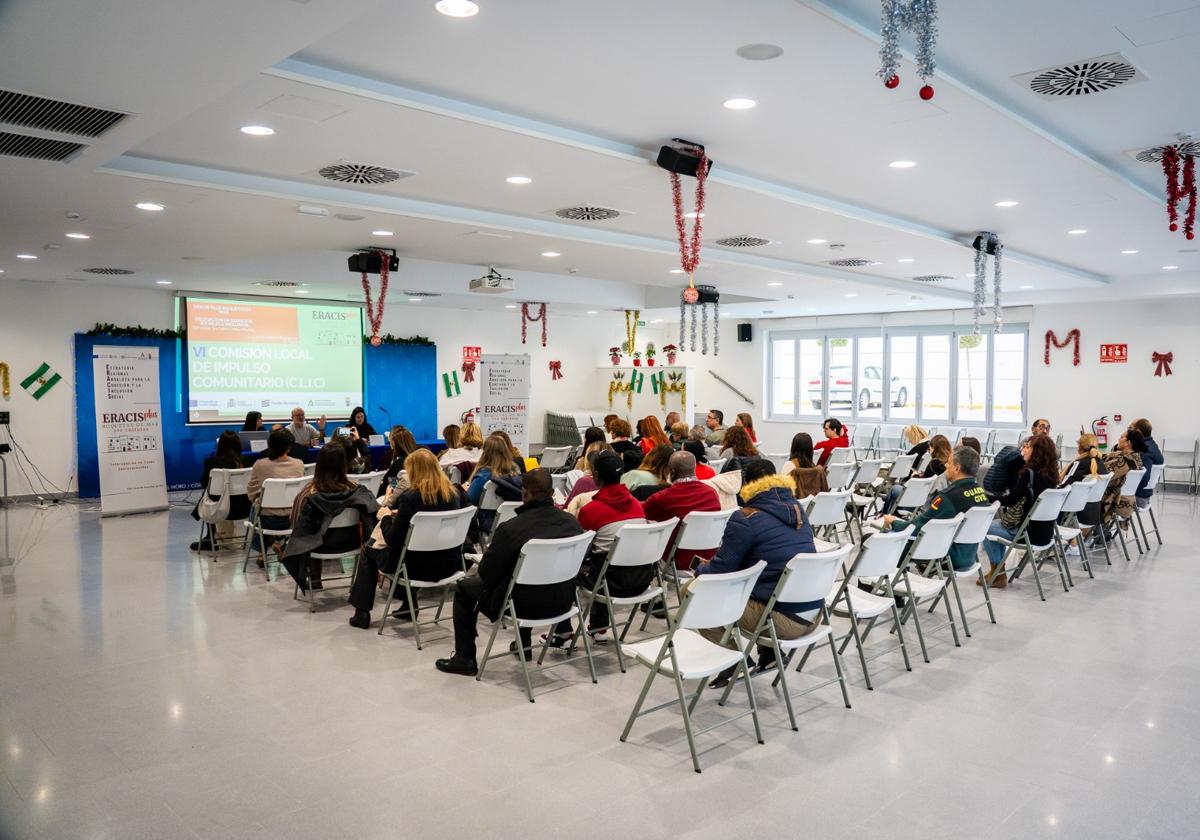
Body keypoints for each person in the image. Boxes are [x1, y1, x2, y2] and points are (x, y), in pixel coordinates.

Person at [435, 469, 585, 676]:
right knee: (528, 577)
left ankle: (465, 658)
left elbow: (486, 574)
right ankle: (522, 643)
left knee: (464, 588)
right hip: (562, 602)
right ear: (552, 493)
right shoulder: (573, 524)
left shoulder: (511, 529)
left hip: (523, 605)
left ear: (524, 494)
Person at [693, 459, 819, 687]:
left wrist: (698, 569)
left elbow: (720, 571)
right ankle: (769, 654)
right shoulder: (798, 508)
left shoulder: (746, 517)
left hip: (783, 621)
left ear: (747, 485)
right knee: (768, 580)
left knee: (697, 595)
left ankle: (733, 663)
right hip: (813, 613)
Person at [348, 449, 469, 629]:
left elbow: (393, 540)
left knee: (369, 550)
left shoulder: (410, 497)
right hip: (449, 564)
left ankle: (362, 613)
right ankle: (407, 606)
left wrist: (386, 517)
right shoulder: (453, 495)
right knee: (414, 547)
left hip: (414, 568)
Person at [547, 452, 647, 645]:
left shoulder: (591, 510)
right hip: (640, 579)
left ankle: (563, 634)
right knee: (605, 560)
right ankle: (599, 628)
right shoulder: (637, 505)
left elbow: (578, 553)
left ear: (596, 477)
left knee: (563, 569)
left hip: (611, 583)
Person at [281, 444, 379, 592]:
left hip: (317, 546)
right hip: (352, 543)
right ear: (344, 464)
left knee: (312, 531)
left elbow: (296, 525)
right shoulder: (358, 491)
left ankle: (315, 578)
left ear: (319, 465)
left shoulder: (307, 495)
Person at [883, 446, 989, 571]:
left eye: (949, 463)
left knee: (877, 542)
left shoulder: (949, 498)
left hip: (943, 556)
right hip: (968, 557)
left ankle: (877, 586)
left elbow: (917, 527)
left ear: (957, 468)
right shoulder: (982, 496)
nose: (946, 466)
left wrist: (893, 522)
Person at [981, 435, 1060, 588]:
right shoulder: (1052, 475)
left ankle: (997, 572)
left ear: (1037, 451)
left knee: (984, 528)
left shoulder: (1028, 474)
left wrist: (986, 498)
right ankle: (998, 573)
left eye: (1027, 446)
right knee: (996, 525)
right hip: (1046, 534)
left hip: (1026, 533)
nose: (1023, 449)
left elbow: (1011, 500)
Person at [643, 451, 721, 568]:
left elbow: (639, 513)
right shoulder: (712, 493)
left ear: (672, 472)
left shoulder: (663, 498)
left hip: (677, 561)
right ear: (694, 468)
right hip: (708, 559)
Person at [246, 428, 305, 564]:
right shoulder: (298, 464)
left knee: (256, 507)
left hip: (267, 519)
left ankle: (262, 552)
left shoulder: (260, 465)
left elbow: (251, 492)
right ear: (289, 447)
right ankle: (277, 544)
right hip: (292, 518)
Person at [190, 430, 246, 551]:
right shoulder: (245, 463)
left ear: (220, 445)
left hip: (219, 508)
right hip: (243, 508)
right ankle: (210, 537)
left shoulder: (212, 463)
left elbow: (204, 483)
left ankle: (210, 538)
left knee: (207, 496)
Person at [1060, 432, 1109, 529]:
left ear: (1079, 447)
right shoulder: (1101, 464)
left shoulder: (1079, 464)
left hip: (1077, 513)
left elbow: (1065, 485)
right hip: (1095, 513)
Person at [1101, 429, 1145, 528]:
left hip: (1117, 502)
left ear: (1128, 443)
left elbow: (1102, 473)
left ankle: (1082, 538)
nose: (1118, 439)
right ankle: (1099, 534)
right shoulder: (1136, 457)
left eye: (1121, 437)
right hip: (1128, 501)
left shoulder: (1124, 462)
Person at [465, 435, 522, 505]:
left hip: (484, 515)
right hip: (510, 515)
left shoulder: (483, 477)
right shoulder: (516, 471)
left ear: (485, 453)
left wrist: (465, 491)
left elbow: (470, 501)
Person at [781, 432, 829, 499]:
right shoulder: (816, 469)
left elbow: (782, 491)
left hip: (794, 506)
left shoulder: (789, 465)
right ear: (810, 448)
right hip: (811, 505)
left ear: (793, 447)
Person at [378, 425, 419, 499]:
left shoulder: (398, 464)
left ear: (393, 444)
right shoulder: (422, 458)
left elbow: (392, 486)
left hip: (402, 502)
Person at [1130, 418, 1162, 508]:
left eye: (1130, 428)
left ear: (1138, 431)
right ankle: (1122, 522)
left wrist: (1129, 490)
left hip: (1139, 497)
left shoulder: (1145, 451)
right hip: (1145, 495)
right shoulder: (1151, 444)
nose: (1128, 432)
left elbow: (1144, 477)